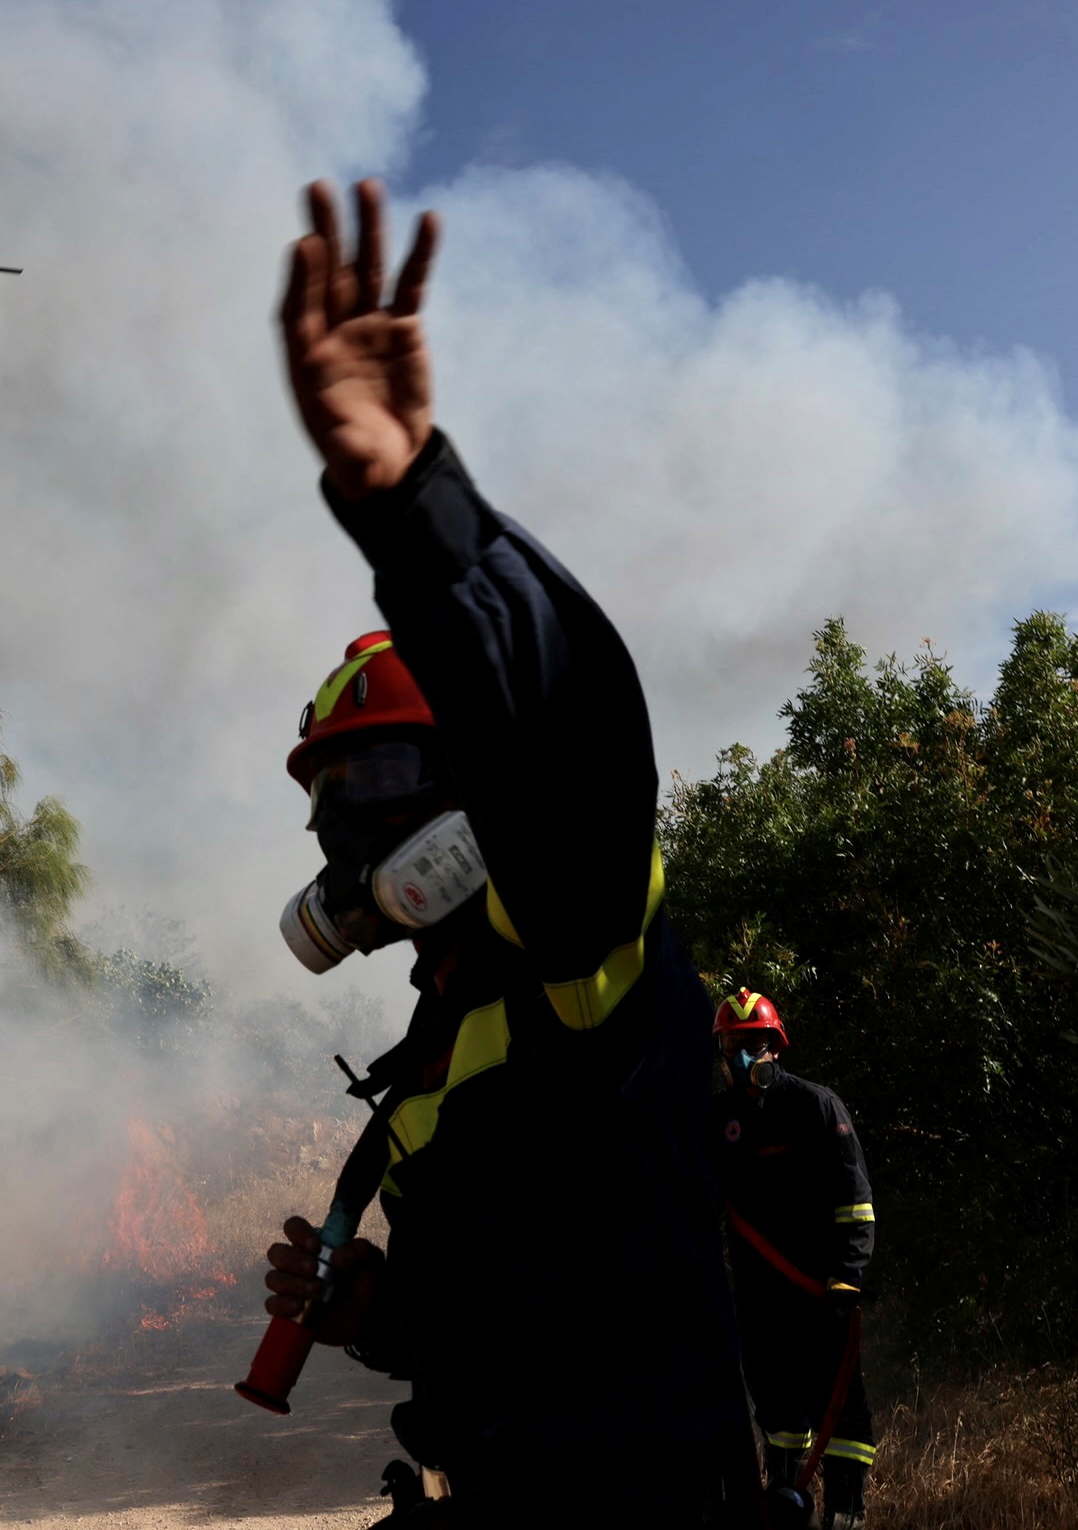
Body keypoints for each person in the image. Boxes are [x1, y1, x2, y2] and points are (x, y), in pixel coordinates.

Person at [258, 178, 753, 1528]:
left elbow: (562, 728)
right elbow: (518, 1309)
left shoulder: (577, 937)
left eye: (367, 781)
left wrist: (413, 511)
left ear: (461, 779)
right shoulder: (441, 1036)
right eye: (324, 795)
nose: (339, 827)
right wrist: (373, 1309)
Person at [711, 988, 878, 1528]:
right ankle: (787, 1511)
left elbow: (855, 1204)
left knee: (842, 1420)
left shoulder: (816, 1106)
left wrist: (847, 1277)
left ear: (774, 1048)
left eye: (752, 1044)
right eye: (732, 1045)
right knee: (778, 1418)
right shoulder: (717, 1123)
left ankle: (846, 1517)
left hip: (821, 1295)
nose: (741, 1057)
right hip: (759, 1302)